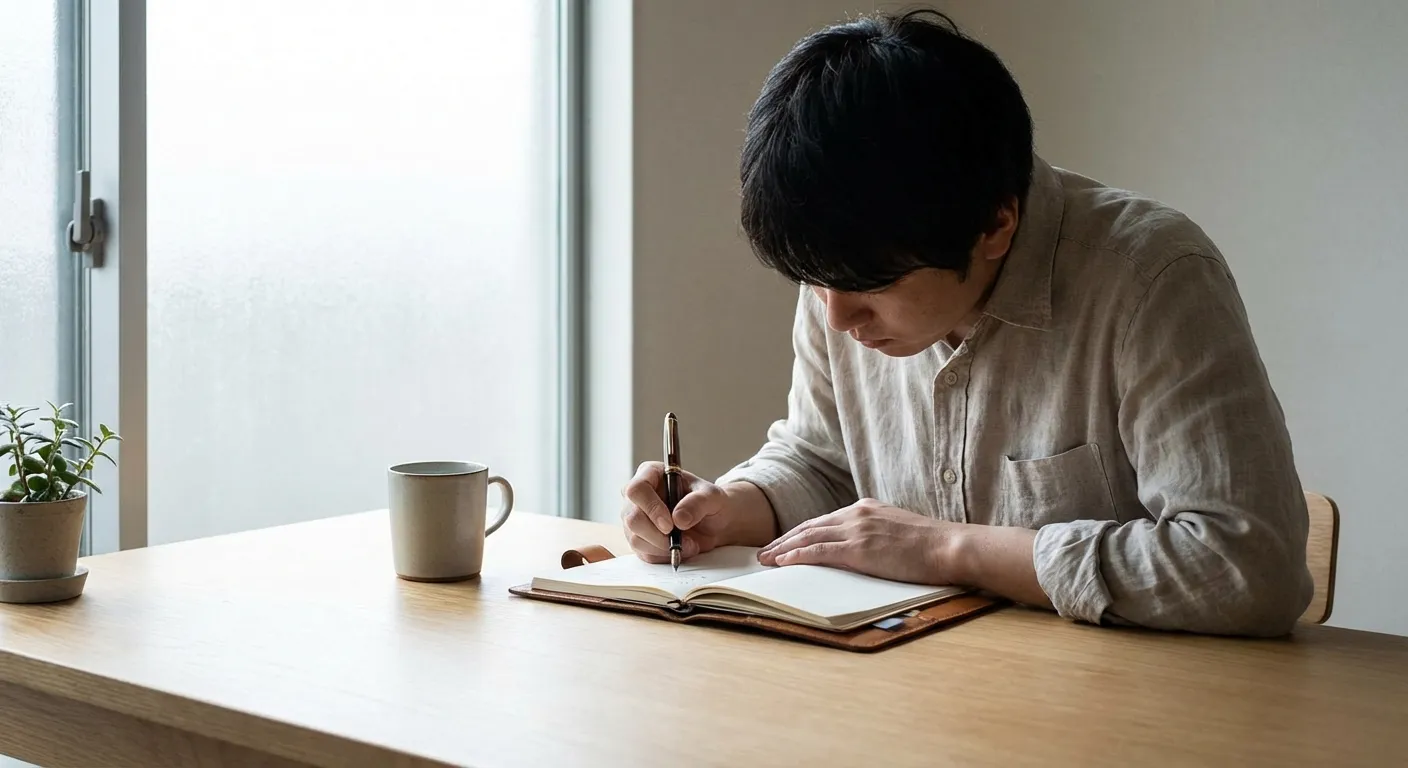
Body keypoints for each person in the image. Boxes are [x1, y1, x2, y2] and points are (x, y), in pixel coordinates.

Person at [619, 8, 1313, 636]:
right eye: (816, 283)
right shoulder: (845, 267)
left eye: (870, 287)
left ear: (995, 225)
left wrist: (946, 547)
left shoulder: (1151, 278)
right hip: (916, 688)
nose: (836, 316)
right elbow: (824, 461)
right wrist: (733, 505)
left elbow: (1248, 567)